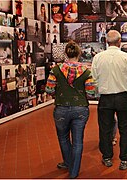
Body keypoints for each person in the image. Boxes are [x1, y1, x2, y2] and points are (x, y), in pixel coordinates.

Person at [45, 41, 95, 178]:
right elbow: (91, 93)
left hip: (61, 108)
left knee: (63, 138)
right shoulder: (86, 71)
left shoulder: (55, 70)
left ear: (66, 54)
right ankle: (74, 173)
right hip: (80, 109)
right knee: (78, 141)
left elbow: (49, 89)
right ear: (79, 54)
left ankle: (67, 162)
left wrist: (58, 93)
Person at [91, 30, 127, 170]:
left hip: (105, 98)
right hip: (122, 97)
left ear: (107, 41)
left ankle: (106, 157)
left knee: (105, 128)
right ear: (119, 42)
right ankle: (125, 159)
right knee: (126, 129)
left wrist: (97, 93)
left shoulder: (98, 58)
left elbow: (94, 79)